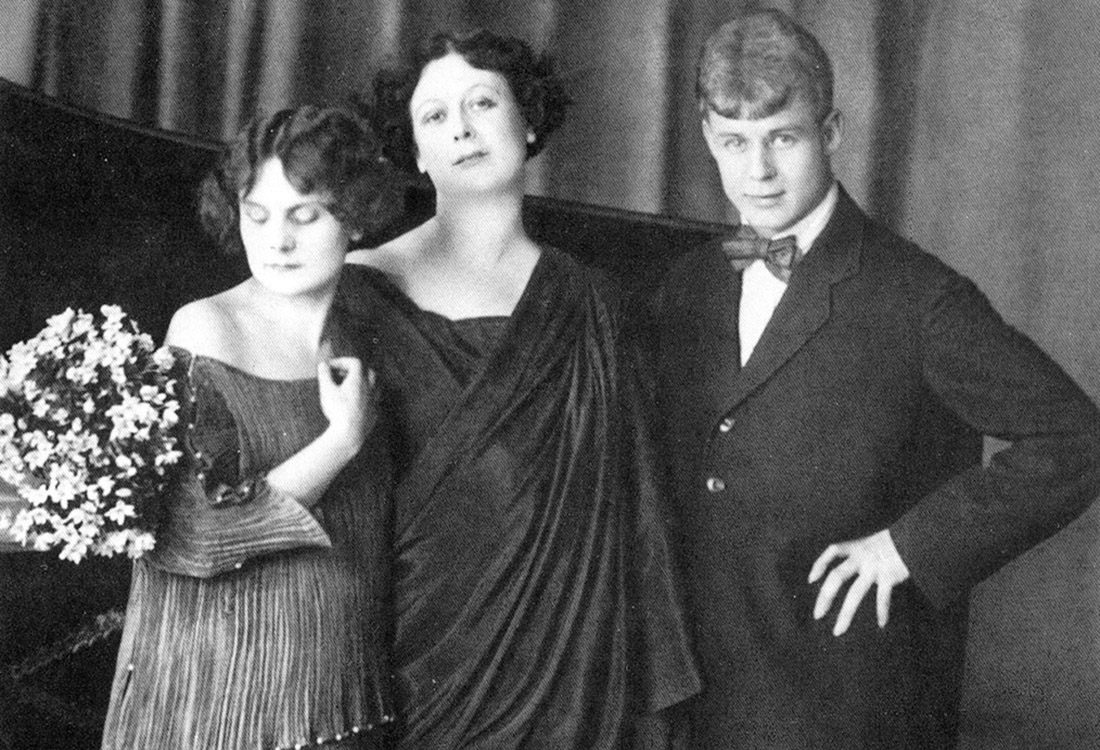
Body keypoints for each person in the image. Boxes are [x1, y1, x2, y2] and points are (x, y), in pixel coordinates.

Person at [651, 8, 1100, 750]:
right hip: (705, 708)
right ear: (706, 137)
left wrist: (907, 546)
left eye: (782, 139)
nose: (757, 172)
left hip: (850, 711)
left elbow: (1077, 438)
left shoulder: (920, 297)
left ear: (830, 132)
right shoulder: (687, 285)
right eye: (734, 143)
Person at [335, 29, 700, 750]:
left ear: (528, 121)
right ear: (413, 151)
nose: (462, 129)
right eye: (434, 117)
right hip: (403, 657)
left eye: (482, 102)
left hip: (569, 670)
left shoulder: (597, 304)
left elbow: (642, 523)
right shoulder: (356, 290)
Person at [101, 105, 399, 750]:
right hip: (218, 699)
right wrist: (340, 443)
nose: (277, 241)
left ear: (355, 218)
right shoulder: (206, 328)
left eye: (305, 214)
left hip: (338, 696)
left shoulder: (363, 332)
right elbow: (189, 533)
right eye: (257, 215)